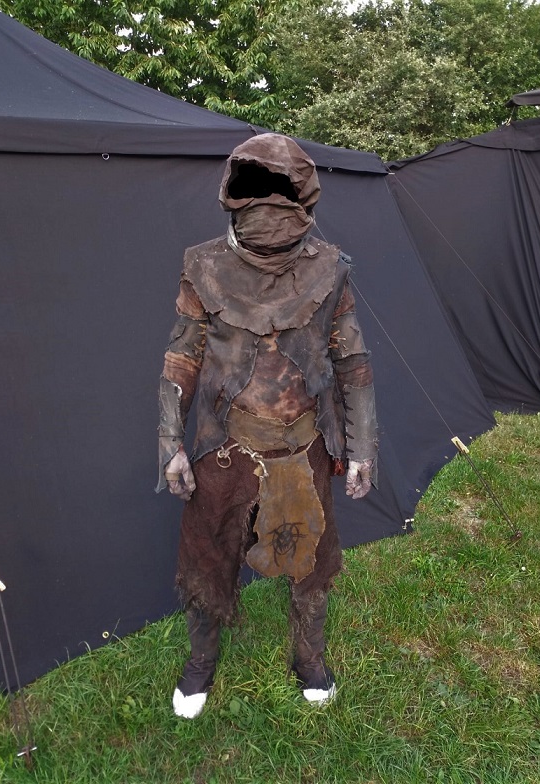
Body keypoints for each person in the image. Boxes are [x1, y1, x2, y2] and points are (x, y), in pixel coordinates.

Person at [156, 133, 378, 719]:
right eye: (258, 190)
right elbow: (182, 358)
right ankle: (202, 660)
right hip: (225, 448)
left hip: (304, 447)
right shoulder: (202, 265)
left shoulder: (330, 268)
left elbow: (352, 361)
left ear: (303, 198)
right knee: (209, 557)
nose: (270, 206)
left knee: (311, 561)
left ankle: (309, 657)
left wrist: (362, 448)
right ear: (234, 194)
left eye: (281, 191)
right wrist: (170, 443)